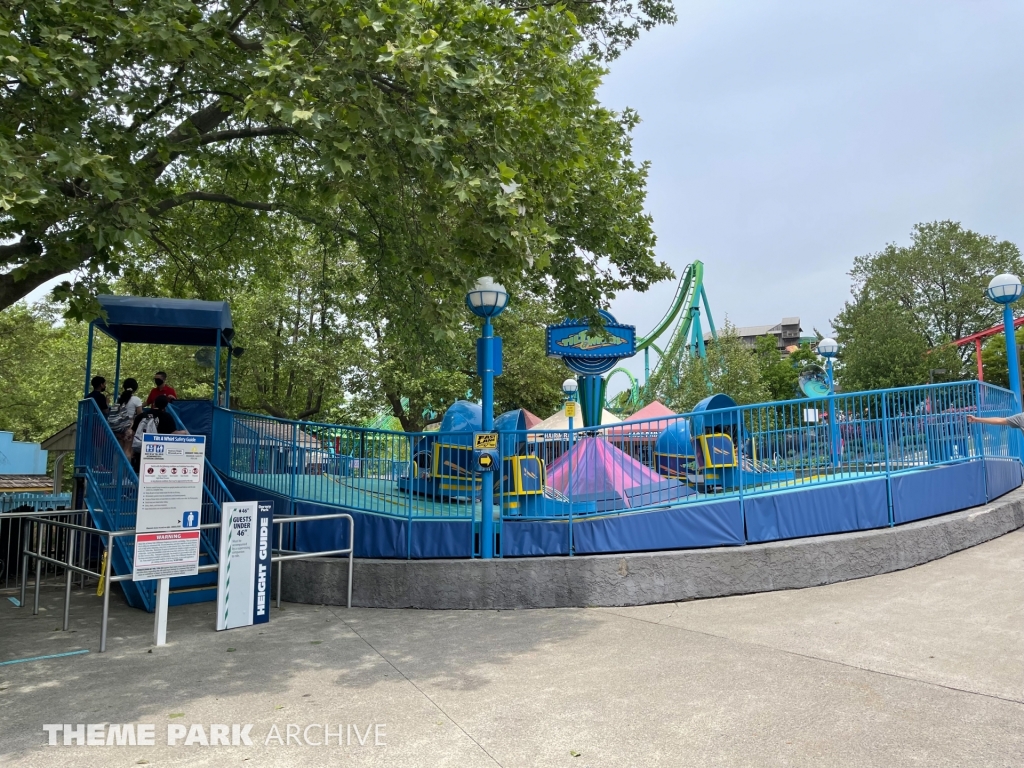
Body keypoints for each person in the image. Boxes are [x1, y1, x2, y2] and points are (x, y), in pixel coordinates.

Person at [131, 395, 182, 474]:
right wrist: (184, 432)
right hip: (159, 452)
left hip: (141, 449)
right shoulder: (167, 417)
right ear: (165, 405)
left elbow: (133, 432)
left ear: (154, 403)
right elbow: (173, 433)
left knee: (140, 471)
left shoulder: (141, 416)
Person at [111, 378, 143, 456]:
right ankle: (126, 468)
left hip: (118, 425)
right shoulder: (136, 399)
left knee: (119, 450)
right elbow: (140, 414)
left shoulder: (119, 398)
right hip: (129, 426)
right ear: (135, 388)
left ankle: (117, 467)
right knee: (128, 449)